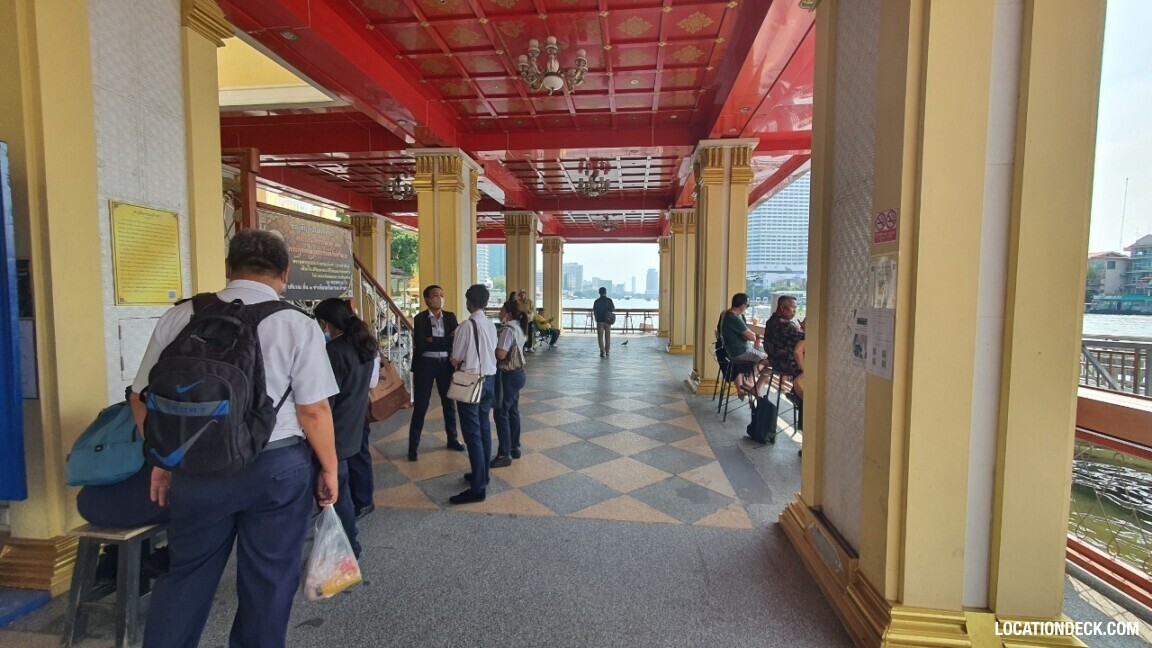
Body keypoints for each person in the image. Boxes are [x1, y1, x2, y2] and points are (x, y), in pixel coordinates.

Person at [130, 229, 339, 648]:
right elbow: (313, 411)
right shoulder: (297, 324)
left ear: (229, 268)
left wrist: (166, 458)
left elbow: (141, 397)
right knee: (269, 581)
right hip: (275, 468)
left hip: (195, 468)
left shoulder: (182, 315)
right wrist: (330, 469)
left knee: (186, 575)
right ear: (285, 273)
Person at [314, 298, 377, 559]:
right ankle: (344, 539)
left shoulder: (335, 351)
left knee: (335, 492)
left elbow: (325, 399)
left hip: (334, 431)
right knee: (341, 487)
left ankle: (349, 544)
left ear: (326, 323)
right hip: (353, 426)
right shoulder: (365, 345)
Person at [449, 284, 498, 505]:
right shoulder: (490, 325)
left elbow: (456, 357)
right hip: (489, 381)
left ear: (469, 302)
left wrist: (455, 359)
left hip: (471, 383)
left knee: (472, 435)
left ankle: (478, 488)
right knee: (484, 429)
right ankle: (482, 473)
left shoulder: (466, 326)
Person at [408, 285, 464, 461]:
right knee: (421, 406)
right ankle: (413, 446)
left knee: (449, 403)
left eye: (441, 294)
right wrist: (446, 340)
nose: (439, 298)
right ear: (427, 299)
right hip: (425, 365)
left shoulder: (450, 317)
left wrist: (435, 341)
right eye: (435, 295)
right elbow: (422, 345)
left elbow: (455, 342)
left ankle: (452, 438)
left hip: (445, 365)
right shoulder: (420, 318)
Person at [493, 300, 528, 466]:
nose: (499, 312)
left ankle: (504, 453)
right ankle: (515, 447)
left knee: (501, 413)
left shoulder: (507, 330)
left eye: (501, 309)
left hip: (507, 375)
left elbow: (501, 354)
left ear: (508, 313)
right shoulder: (519, 328)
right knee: (512, 410)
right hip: (518, 374)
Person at [346, 356, 380, 520]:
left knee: (355, 456)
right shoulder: (369, 348)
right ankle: (362, 499)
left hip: (345, 410)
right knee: (360, 454)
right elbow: (373, 383)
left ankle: (361, 500)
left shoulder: (335, 349)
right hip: (360, 407)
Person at [719, 293, 770, 394]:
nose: (747, 308)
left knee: (762, 358)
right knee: (769, 360)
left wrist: (745, 335)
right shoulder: (734, 318)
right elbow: (752, 337)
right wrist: (747, 335)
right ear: (742, 305)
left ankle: (752, 385)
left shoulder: (726, 314)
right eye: (747, 305)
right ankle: (751, 381)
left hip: (731, 351)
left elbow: (745, 335)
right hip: (740, 352)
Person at [764, 295, 806, 400]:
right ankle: (799, 395)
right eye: (793, 308)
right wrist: (805, 328)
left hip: (775, 361)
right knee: (811, 367)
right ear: (782, 308)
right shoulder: (784, 324)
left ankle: (796, 393)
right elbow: (806, 338)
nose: (795, 311)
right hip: (787, 363)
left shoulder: (771, 321)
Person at [593, 287, 616, 358]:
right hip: (608, 321)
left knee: (600, 337)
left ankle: (602, 351)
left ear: (599, 293)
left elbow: (595, 311)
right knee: (607, 337)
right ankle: (607, 351)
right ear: (606, 292)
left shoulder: (596, 301)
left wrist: (596, 319)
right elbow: (613, 309)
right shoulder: (609, 300)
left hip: (600, 321)